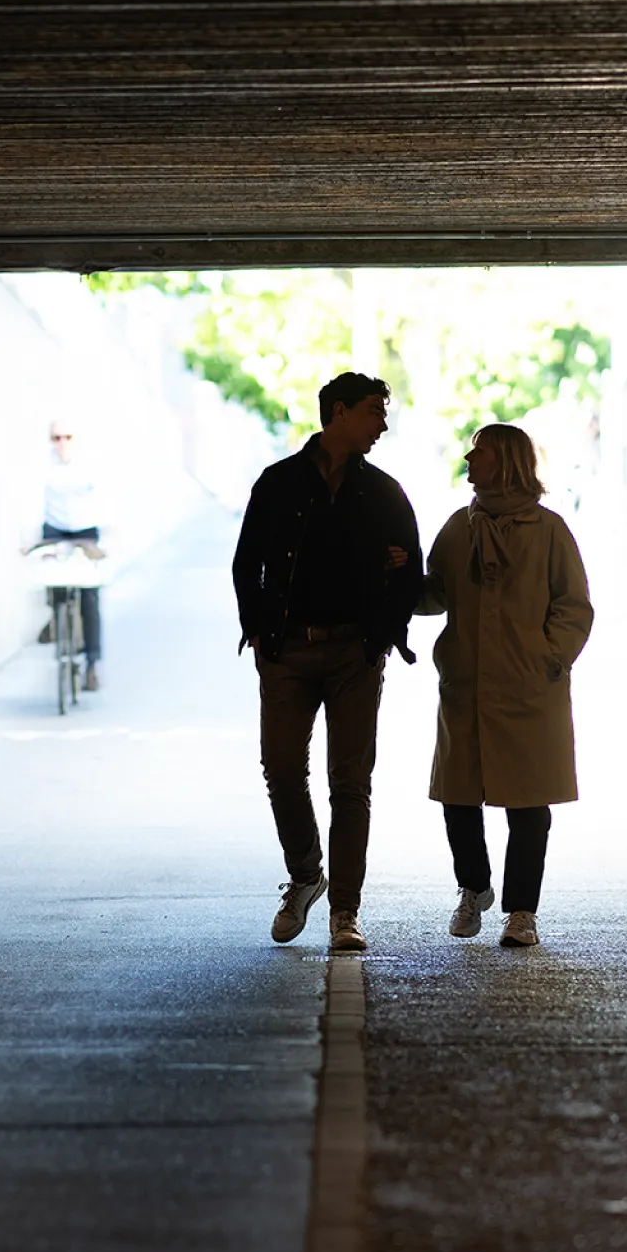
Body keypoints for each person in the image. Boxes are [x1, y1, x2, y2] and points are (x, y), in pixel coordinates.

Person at [232, 372, 422, 953]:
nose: (383, 424)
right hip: (288, 650)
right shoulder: (279, 483)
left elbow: (412, 571)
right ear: (338, 413)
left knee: (351, 782)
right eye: (373, 411)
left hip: (354, 653)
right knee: (282, 769)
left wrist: (387, 625)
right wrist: (259, 634)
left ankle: (346, 910)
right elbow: (247, 565)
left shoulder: (384, 491)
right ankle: (306, 873)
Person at [416, 423, 593, 948]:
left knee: (529, 805)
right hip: (467, 685)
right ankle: (474, 887)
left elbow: (574, 605)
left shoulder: (549, 530)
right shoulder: (458, 528)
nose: (469, 460)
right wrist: (399, 581)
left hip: (529, 687)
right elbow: (436, 596)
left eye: (480, 453)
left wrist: (548, 655)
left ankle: (521, 911)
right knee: (458, 796)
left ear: (507, 461)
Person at [36, 419, 104, 690]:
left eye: (67, 437)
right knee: (49, 579)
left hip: (85, 529)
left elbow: (105, 500)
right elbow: (30, 499)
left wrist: (103, 542)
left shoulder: (90, 465)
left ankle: (92, 664)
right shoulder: (43, 466)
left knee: (89, 598)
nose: (61, 443)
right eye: (56, 438)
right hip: (55, 528)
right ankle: (56, 616)